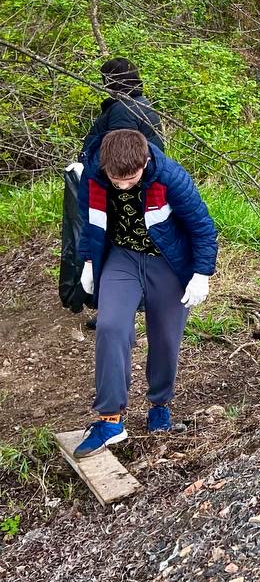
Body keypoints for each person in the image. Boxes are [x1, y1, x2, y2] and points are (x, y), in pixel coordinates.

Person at [73, 128, 218, 458]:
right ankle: (110, 419)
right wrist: (88, 263)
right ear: (105, 166)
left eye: (131, 179)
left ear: (145, 162)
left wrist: (201, 274)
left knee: (165, 337)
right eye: (116, 180)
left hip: (167, 260)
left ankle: (160, 405)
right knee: (110, 327)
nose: (123, 186)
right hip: (121, 257)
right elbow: (88, 220)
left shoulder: (169, 177)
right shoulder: (93, 175)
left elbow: (202, 227)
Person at [75, 58, 164, 331]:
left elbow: (116, 153)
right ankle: (124, 306)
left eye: (106, 80)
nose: (104, 85)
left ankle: (118, 311)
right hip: (137, 184)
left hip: (121, 187)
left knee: (113, 244)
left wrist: (93, 173)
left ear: (113, 81)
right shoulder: (141, 104)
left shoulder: (124, 109)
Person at [81, 57, 164, 162]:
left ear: (110, 81)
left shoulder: (123, 110)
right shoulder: (141, 102)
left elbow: (120, 156)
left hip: (122, 170)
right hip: (145, 167)